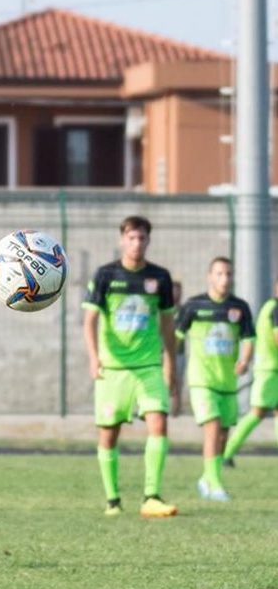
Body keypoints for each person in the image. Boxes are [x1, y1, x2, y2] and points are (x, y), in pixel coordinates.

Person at [82, 215, 178, 519]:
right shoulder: (105, 275)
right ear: (122, 240)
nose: (137, 243)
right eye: (132, 238)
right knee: (108, 434)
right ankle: (113, 500)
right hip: (114, 368)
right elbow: (90, 320)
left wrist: (171, 363)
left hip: (149, 365)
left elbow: (167, 324)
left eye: (142, 238)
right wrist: (94, 357)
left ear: (149, 240)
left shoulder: (159, 277)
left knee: (159, 423)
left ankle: (152, 496)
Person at [175, 257, 253, 501]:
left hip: (227, 381)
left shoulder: (240, 307)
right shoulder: (194, 306)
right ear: (210, 276)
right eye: (219, 273)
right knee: (213, 426)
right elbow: (176, 336)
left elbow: (249, 339)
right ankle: (216, 484)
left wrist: (244, 360)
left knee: (223, 434)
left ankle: (207, 479)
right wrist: (166, 363)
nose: (224, 279)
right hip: (202, 380)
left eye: (228, 274)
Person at [222, 276, 278, 465]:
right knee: (257, 413)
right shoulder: (275, 308)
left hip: (269, 368)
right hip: (271, 370)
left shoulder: (269, 306)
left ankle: (227, 453)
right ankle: (227, 453)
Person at [169, 280, 186, 417]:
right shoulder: (165, 309)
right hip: (164, 352)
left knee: (178, 382)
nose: (176, 293)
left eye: (178, 290)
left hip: (179, 352)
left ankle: (176, 410)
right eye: (174, 290)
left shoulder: (184, 310)